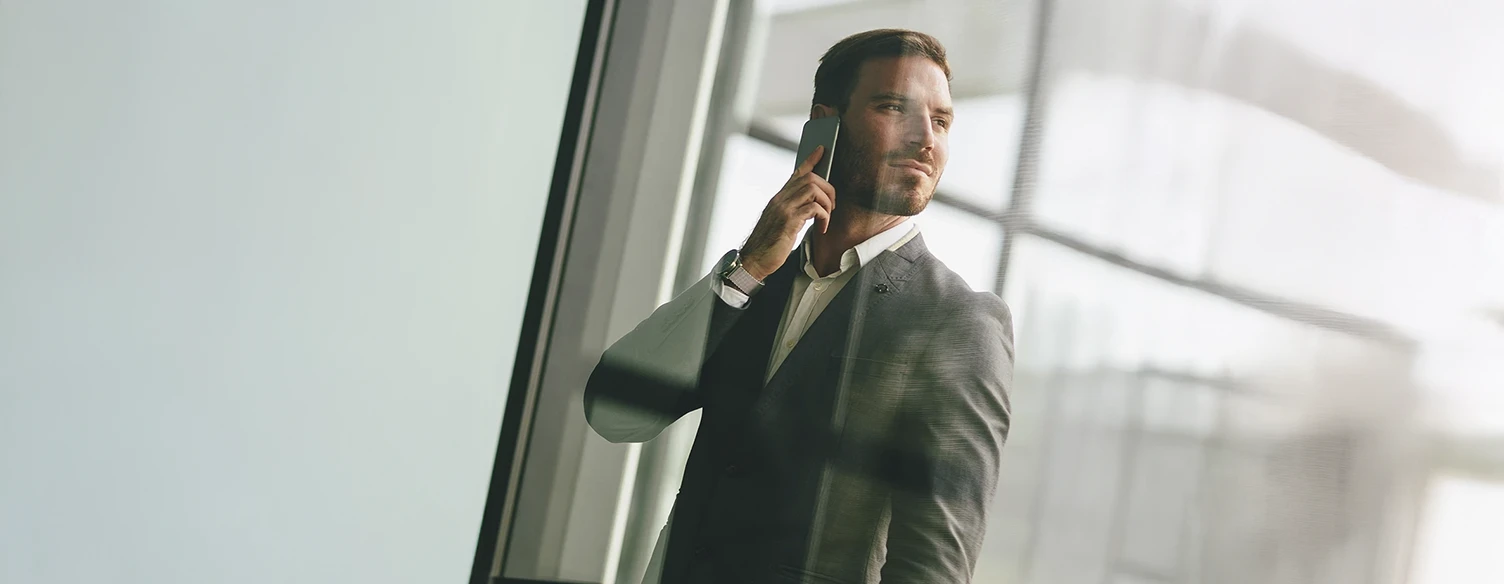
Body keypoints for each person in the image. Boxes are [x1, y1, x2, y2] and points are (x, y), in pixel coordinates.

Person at [583, 29, 1013, 584]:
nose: (926, 139)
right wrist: (748, 271)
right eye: (893, 108)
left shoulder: (960, 321)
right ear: (825, 123)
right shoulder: (755, 284)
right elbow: (615, 415)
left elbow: (932, 568)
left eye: (941, 121)